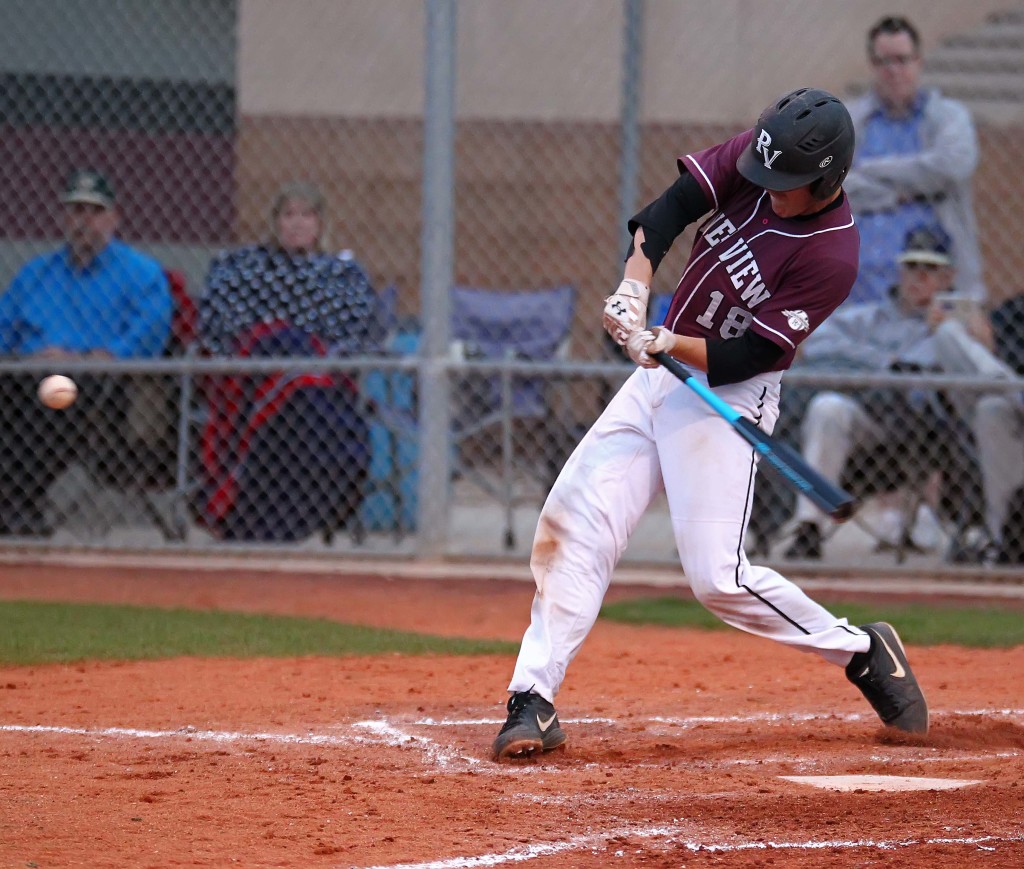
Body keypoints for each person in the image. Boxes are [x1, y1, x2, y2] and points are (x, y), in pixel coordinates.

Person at [491, 88, 929, 761]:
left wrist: (667, 342)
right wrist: (635, 286)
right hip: (657, 373)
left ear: (829, 179)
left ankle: (862, 650)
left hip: (727, 391)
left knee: (718, 579)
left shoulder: (833, 256)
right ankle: (534, 699)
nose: (767, 189)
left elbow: (751, 351)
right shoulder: (758, 158)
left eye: (787, 185)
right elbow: (665, 212)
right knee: (575, 521)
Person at [195, 180, 376, 541]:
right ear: (274, 221)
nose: (296, 223)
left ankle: (282, 516)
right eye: (288, 214)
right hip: (256, 380)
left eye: (306, 215)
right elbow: (222, 329)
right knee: (289, 357)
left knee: (304, 381)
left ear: (321, 223)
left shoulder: (341, 275)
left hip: (317, 381)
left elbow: (353, 336)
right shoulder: (243, 268)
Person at [0, 169, 171, 535]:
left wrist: (79, 360)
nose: (84, 221)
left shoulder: (141, 274)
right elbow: (4, 330)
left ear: (113, 218)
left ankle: (18, 502)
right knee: (21, 392)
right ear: (64, 217)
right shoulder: (36, 274)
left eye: (94, 212)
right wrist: (29, 360)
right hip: (24, 375)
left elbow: (145, 340)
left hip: (102, 388)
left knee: (53, 394)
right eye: (76, 211)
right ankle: (15, 504)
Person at [844, 15, 984, 305]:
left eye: (902, 60)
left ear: (918, 61)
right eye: (884, 62)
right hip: (857, 288)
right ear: (872, 66)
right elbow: (834, 188)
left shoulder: (949, 117)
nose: (893, 70)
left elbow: (952, 167)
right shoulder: (850, 122)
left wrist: (871, 171)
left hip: (934, 291)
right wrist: (909, 190)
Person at [929, 286, 1024, 564]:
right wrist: (988, 344)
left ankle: (1004, 385)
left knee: (992, 404)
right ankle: (1005, 539)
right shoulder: (1012, 311)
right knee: (989, 409)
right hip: (1011, 403)